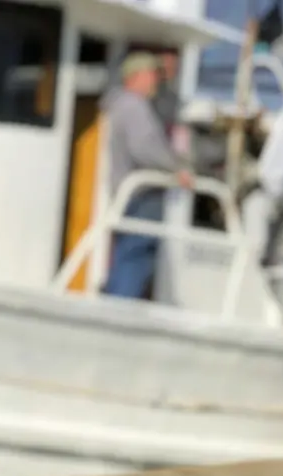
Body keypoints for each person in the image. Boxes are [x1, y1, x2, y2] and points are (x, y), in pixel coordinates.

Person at [100, 52, 194, 300]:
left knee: (127, 253)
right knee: (137, 254)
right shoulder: (134, 105)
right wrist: (177, 169)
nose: (156, 80)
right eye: (152, 74)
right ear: (136, 76)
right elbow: (145, 148)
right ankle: (119, 310)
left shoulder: (120, 104)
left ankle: (114, 304)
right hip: (141, 196)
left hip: (128, 195)